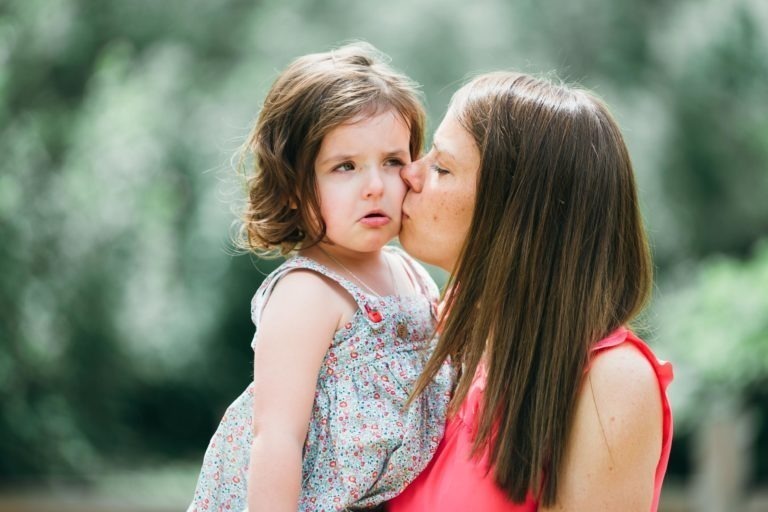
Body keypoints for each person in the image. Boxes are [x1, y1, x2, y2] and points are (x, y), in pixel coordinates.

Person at [388, 72, 673, 511]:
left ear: (517, 214)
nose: (410, 173)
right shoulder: (438, 333)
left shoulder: (608, 383)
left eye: (442, 167)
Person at [187, 43, 453, 512]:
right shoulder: (307, 292)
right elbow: (277, 440)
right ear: (293, 187)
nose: (375, 184)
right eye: (344, 167)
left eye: (392, 161)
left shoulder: (413, 273)